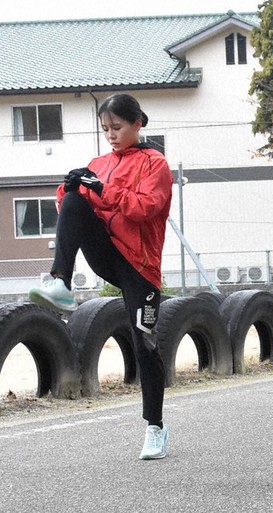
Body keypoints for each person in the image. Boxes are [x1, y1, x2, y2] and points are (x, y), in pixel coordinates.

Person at [28, 93, 173, 459]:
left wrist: (102, 188)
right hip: (107, 252)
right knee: (75, 202)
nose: (110, 134)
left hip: (139, 265)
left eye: (117, 127)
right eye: (105, 128)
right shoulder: (100, 162)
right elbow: (72, 213)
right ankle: (60, 281)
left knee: (145, 345)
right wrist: (70, 187)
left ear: (137, 123)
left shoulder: (155, 164)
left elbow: (144, 208)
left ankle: (155, 427)